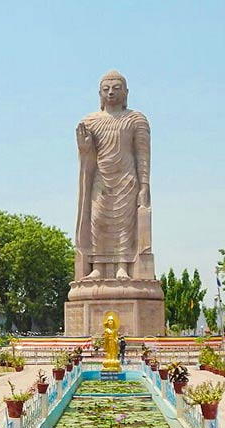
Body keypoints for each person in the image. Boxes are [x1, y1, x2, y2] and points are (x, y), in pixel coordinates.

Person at [75, 70, 151, 280]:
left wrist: (144, 186)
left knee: (124, 225)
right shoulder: (90, 121)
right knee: (98, 222)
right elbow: (87, 159)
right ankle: (98, 265)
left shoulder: (136, 120)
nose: (111, 93)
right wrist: (84, 149)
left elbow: (142, 156)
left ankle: (123, 266)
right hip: (101, 179)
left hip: (126, 179)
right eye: (106, 89)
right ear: (99, 93)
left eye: (116, 89)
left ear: (126, 92)